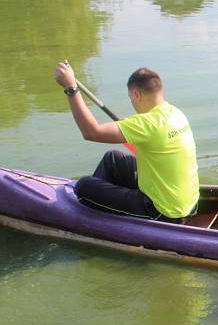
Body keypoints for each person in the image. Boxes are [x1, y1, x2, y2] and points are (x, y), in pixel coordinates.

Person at [54, 62, 199, 224]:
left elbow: (90, 132)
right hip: (190, 205)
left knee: (83, 186)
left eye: (131, 98)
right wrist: (127, 126)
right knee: (113, 159)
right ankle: (104, 208)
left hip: (163, 212)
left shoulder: (146, 124)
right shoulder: (175, 114)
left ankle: (96, 217)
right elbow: (150, 132)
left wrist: (71, 88)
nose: (132, 102)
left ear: (136, 94)